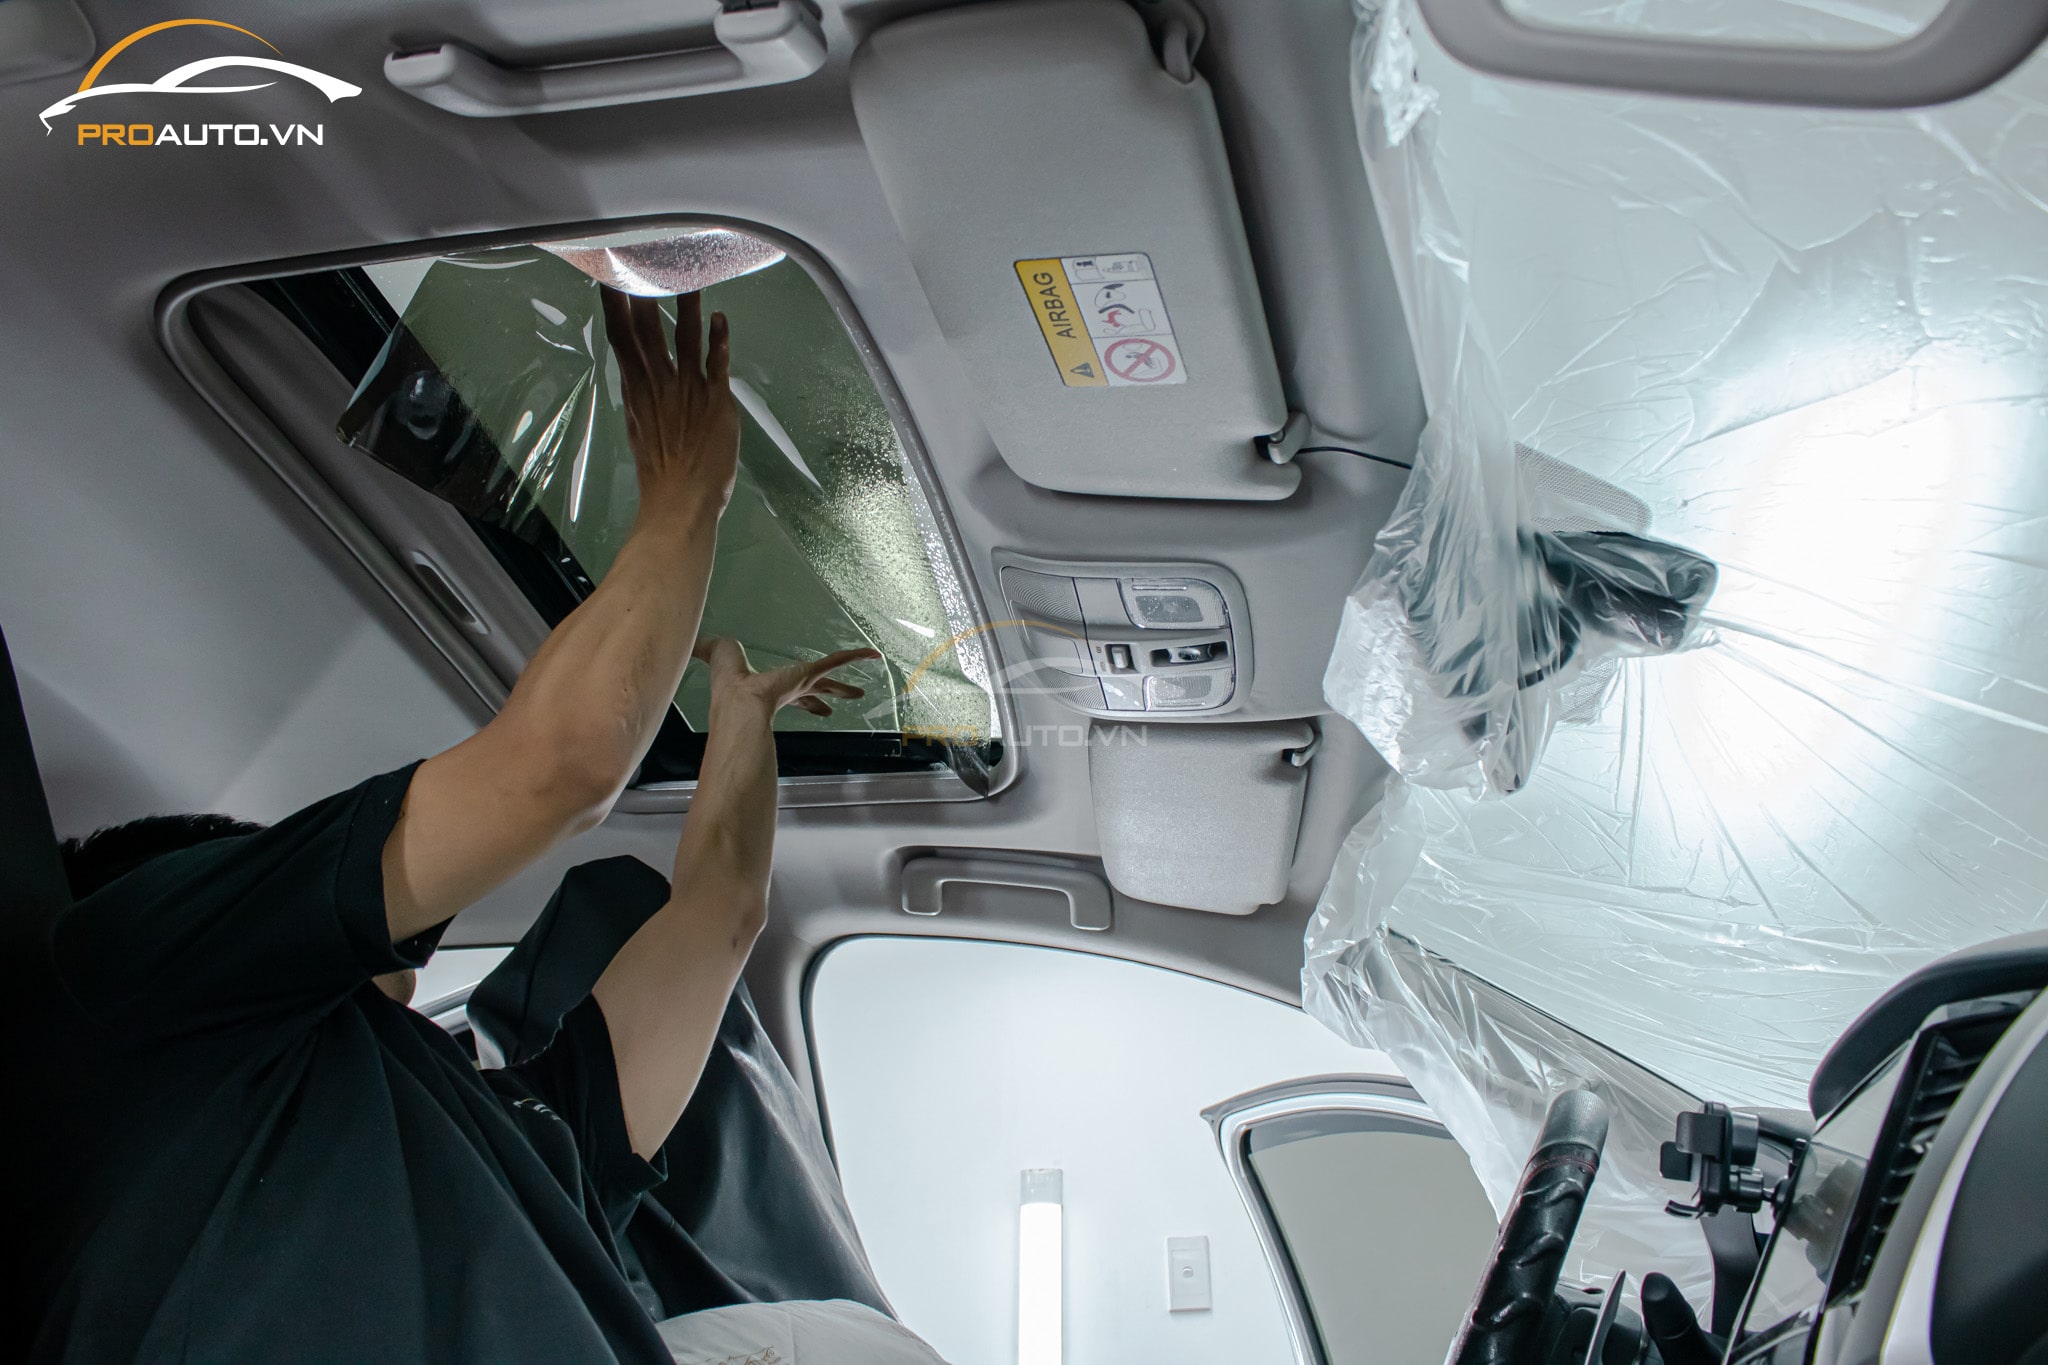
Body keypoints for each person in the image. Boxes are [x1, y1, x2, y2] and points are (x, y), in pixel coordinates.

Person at [4, 289, 891, 1363]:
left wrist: (741, 718)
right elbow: (560, 767)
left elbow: (721, 914)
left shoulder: (514, 1136)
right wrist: (683, 497)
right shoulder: (134, 980)